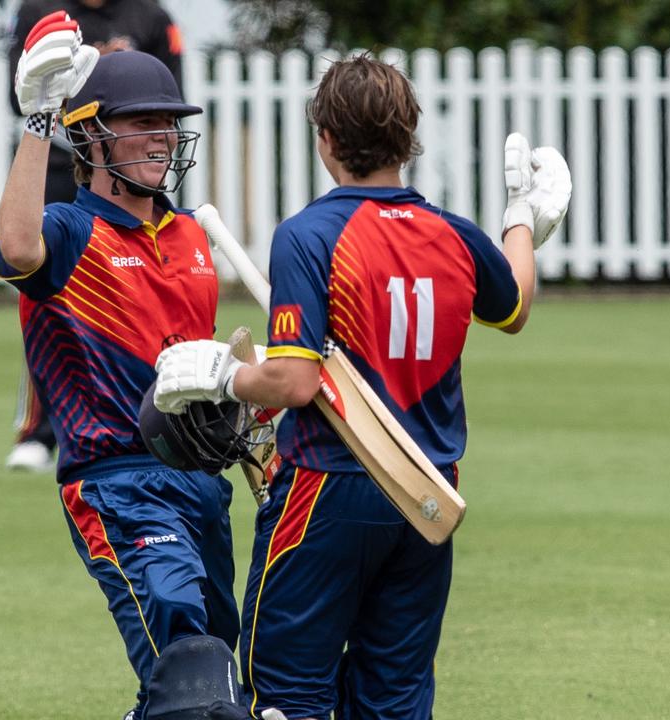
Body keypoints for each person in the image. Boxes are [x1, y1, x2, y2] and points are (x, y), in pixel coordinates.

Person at [152, 55, 571, 718]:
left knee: (288, 697)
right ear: (408, 139)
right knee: (394, 700)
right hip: (427, 497)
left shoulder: (310, 235)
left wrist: (226, 375)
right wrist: (522, 217)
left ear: (326, 140)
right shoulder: (455, 235)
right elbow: (513, 307)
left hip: (329, 489)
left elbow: (292, 379)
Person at [0, 14, 244, 718]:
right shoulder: (69, 231)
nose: (163, 136)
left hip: (201, 488)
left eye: (169, 122)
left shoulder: (193, 234)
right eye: (142, 123)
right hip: (118, 485)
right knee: (186, 657)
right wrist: (39, 118)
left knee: (214, 677)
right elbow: (16, 246)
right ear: (93, 136)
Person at [5, 0, 188, 471]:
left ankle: (163, 417)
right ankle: (40, 431)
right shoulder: (40, 10)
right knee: (51, 293)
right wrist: (44, 115)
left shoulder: (151, 17)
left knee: (151, 294)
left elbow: (167, 97)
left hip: (131, 166)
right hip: (62, 162)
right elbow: (19, 92)